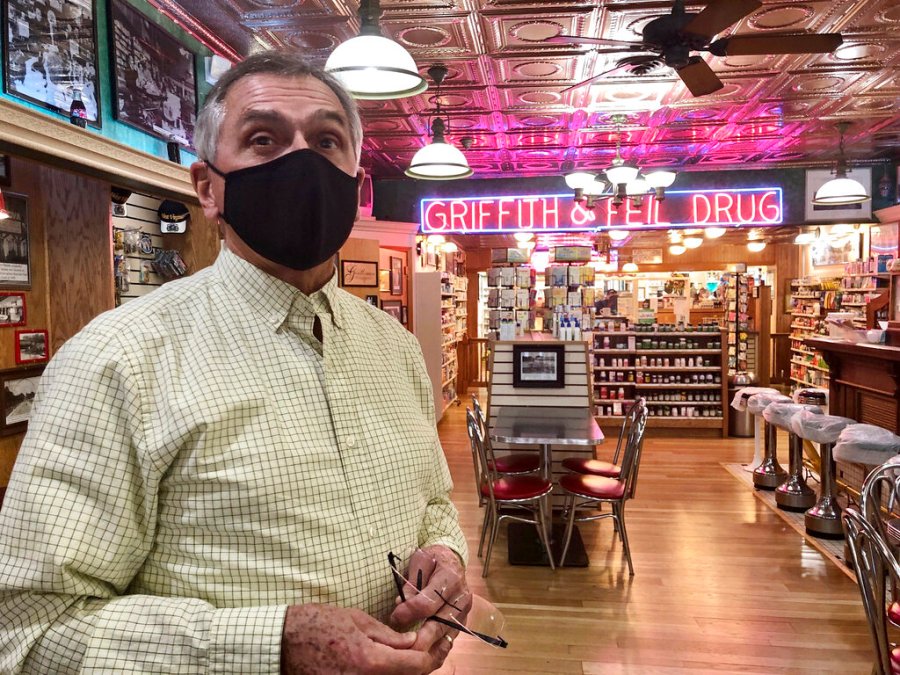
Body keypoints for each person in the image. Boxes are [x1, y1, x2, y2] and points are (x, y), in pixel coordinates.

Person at [0, 51, 469, 674]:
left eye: (327, 140)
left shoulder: (395, 346)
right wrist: (269, 644)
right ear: (208, 189)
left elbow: (432, 499)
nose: (300, 160)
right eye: (262, 139)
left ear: (359, 190)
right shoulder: (118, 359)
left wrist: (445, 553)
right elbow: (32, 627)